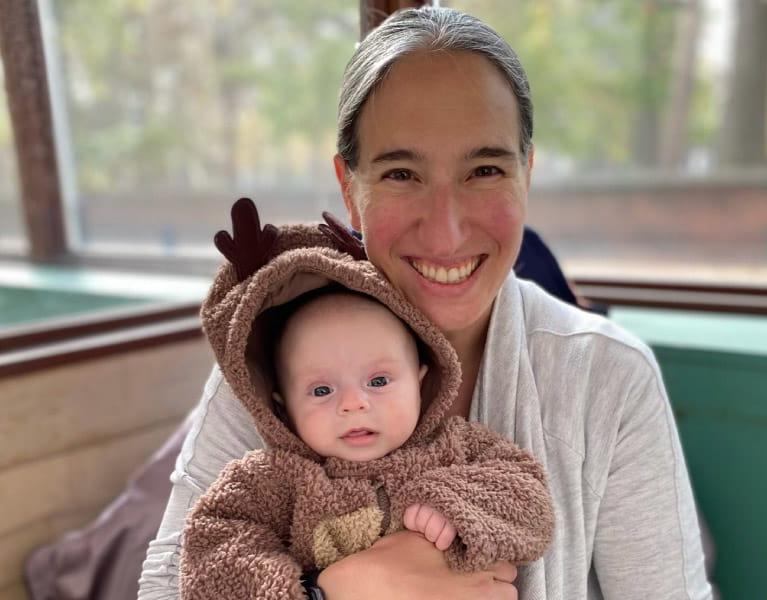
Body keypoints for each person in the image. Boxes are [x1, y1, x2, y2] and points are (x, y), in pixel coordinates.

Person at [139, 6, 713, 599]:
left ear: (527, 175)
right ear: (349, 189)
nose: (446, 232)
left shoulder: (607, 377)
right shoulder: (274, 364)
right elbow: (167, 584)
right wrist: (335, 591)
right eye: (401, 175)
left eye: (485, 169)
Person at [178, 212, 554, 598]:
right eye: (322, 391)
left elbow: (529, 498)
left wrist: (453, 503)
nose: (354, 404)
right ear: (282, 407)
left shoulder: (459, 448)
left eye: (378, 381)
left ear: (420, 381)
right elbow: (212, 555)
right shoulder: (270, 482)